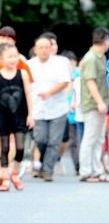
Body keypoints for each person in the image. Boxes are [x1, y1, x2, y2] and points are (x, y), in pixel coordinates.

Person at [28, 35, 71, 181]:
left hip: (58, 108)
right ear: (35, 49)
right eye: (41, 47)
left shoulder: (60, 62)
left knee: (54, 141)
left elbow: (65, 81)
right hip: (38, 108)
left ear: (51, 48)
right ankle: (43, 164)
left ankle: (47, 170)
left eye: (47, 47)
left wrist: (49, 93)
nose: (44, 50)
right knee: (40, 139)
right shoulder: (29, 64)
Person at [78, 28, 109, 183]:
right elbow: (90, 82)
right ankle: (85, 171)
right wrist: (99, 102)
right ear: (105, 40)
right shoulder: (91, 58)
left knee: (98, 139)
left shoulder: (100, 57)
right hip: (93, 104)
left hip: (101, 103)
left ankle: (96, 170)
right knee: (90, 137)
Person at [0, 44, 34, 191]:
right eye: (9, 56)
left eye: (15, 56)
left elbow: (28, 94)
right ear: (1, 58)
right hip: (2, 116)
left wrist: (31, 114)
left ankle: (15, 173)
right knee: (5, 148)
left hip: (20, 116)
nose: (13, 59)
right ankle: (5, 178)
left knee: (20, 148)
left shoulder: (23, 74)